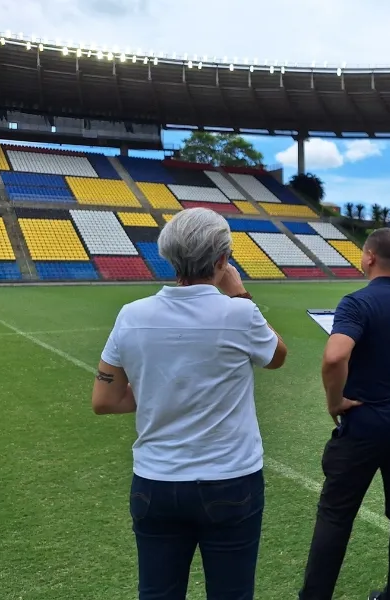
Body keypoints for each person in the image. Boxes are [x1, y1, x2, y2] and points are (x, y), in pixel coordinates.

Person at [91, 207, 287, 600]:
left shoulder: (131, 316)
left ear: (167, 256)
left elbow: (104, 400)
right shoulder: (240, 313)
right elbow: (277, 356)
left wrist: (158, 395)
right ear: (222, 260)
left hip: (156, 482)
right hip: (231, 479)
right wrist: (239, 290)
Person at [299, 227, 390, 600]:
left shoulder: (356, 303)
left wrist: (334, 401)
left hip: (367, 422)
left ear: (371, 256)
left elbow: (334, 356)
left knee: (336, 513)